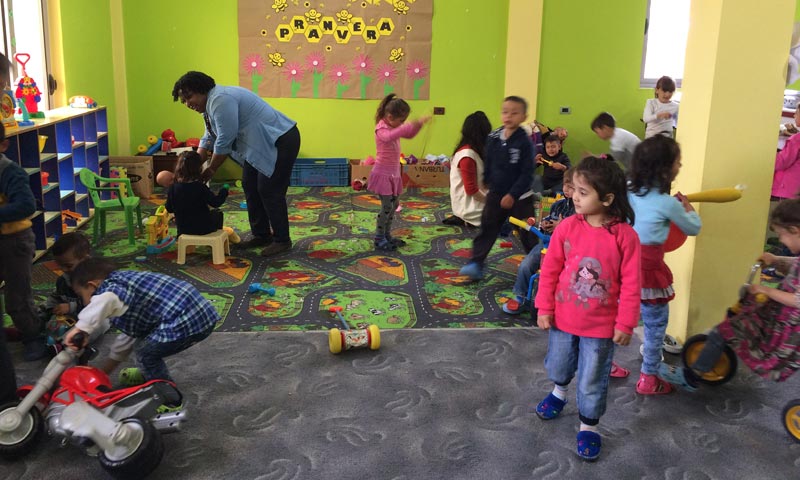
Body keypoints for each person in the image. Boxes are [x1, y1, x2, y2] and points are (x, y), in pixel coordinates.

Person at [533, 156, 640, 461]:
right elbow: (550, 268)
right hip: (563, 318)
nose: (574, 197)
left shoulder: (625, 237)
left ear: (607, 198)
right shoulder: (567, 227)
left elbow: (632, 283)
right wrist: (544, 307)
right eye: (574, 190)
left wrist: (625, 323)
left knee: (593, 379)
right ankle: (559, 392)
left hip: (602, 326)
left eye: (583, 192)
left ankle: (589, 425)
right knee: (558, 365)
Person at [659, 198, 800, 390]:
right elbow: (796, 264)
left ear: (795, 230)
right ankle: (712, 356)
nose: (781, 240)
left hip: (787, 327)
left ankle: (692, 375)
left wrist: (765, 289)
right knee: (734, 324)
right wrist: (776, 260)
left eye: (782, 235)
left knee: (726, 328)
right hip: (780, 316)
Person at [171, 71, 301, 257]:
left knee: (269, 189)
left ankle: (282, 240)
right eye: (183, 101)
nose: (187, 104)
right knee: (250, 184)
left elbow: (225, 139)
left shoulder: (220, 100)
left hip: (280, 139)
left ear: (201, 90)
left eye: (189, 97)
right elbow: (209, 135)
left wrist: (212, 169)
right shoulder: (209, 106)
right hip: (259, 145)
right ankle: (261, 234)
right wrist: (193, 163)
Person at [64, 257, 218, 383]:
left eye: (81, 295)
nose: (83, 303)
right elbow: (127, 340)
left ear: (92, 286)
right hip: (199, 314)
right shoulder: (125, 287)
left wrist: (81, 328)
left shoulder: (110, 291)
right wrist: (104, 373)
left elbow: (106, 299)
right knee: (142, 343)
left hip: (186, 319)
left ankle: (168, 398)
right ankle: (148, 373)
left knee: (145, 353)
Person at [627, 135, 702, 395]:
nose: (680, 166)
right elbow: (694, 228)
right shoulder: (669, 204)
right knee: (656, 325)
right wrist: (689, 209)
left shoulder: (630, 193)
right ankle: (648, 378)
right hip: (650, 272)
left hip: (624, 268)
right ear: (664, 169)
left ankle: (606, 364)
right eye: (677, 163)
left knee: (616, 320)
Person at [459, 96, 536, 281]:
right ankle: (476, 263)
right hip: (496, 193)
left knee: (527, 232)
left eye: (514, 113)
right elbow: (489, 160)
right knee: (488, 227)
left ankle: (537, 264)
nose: (508, 116)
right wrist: (486, 179)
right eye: (505, 112)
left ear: (523, 116)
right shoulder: (493, 137)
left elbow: (527, 173)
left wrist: (513, 194)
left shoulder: (524, 142)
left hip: (521, 197)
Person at [0, 122, 46, 361]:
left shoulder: (9, 171)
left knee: (18, 296)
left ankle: (33, 336)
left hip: (14, 241)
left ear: (3, 145)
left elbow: (26, 205)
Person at [503, 168, 575, 315]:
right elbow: (547, 220)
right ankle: (521, 297)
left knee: (558, 275)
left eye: (573, 187)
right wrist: (544, 225)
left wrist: (562, 227)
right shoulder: (558, 205)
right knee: (526, 264)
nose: (567, 190)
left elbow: (579, 230)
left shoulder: (580, 209)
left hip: (568, 249)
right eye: (566, 185)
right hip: (547, 243)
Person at [369, 93, 430, 250]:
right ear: (389, 117)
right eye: (401, 120)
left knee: (394, 205)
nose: (402, 123)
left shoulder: (393, 126)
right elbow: (390, 136)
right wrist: (405, 126)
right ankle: (379, 237)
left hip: (393, 174)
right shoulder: (381, 129)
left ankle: (387, 235)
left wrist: (418, 124)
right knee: (386, 207)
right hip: (383, 174)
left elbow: (408, 134)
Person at [444, 111, 492, 227]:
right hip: (470, 207)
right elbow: (471, 190)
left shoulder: (475, 151)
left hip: (478, 199)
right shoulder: (467, 155)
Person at [165, 150, 229, 237]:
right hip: (204, 229)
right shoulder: (200, 187)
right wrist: (224, 191)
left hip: (183, 230)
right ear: (199, 168)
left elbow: (169, 209)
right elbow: (216, 202)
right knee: (217, 213)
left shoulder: (173, 188)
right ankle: (214, 239)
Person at [772, 104, 800, 201]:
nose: (794, 116)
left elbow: (780, 163)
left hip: (788, 190)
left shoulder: (796, 140)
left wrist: (771, 150)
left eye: (796, 113)